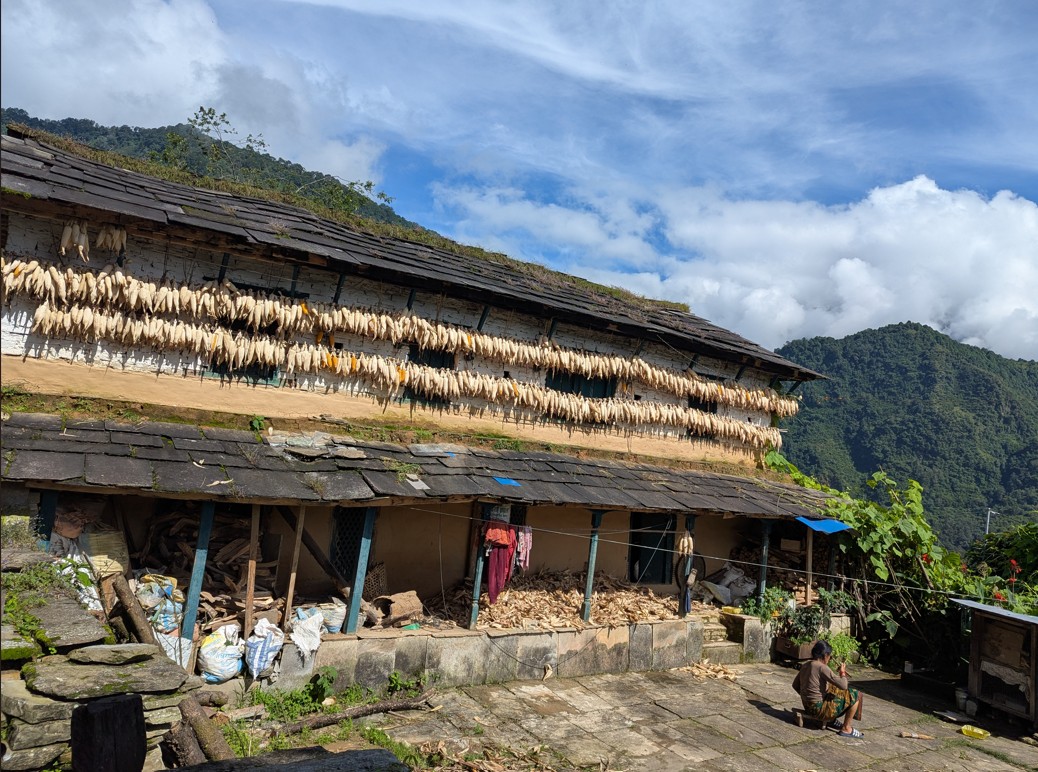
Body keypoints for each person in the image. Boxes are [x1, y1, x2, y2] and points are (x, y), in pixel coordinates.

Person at [792, 639, 864, 738]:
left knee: (833, 688)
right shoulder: (822, 667)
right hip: (818, 710)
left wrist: (808, 696)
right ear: (825, 655)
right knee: (855, 694)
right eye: (829, 656)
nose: (829, 659)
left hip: (808, 707)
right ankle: (846, 728)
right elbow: (844, 685)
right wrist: (842, 673)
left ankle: (831, 719)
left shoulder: (806, 665)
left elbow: (795, 685)